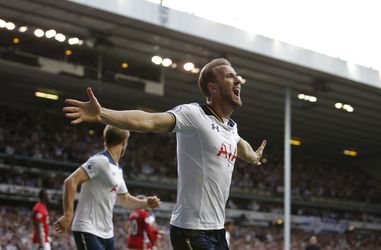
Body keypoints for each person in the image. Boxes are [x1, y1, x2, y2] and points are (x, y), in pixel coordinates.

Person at [63, 58, 267, 250]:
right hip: (191, 229)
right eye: (230, 76)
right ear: (213, 87)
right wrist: (102, 114)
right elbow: (148, 121)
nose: (238, 79)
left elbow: (243, 147)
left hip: (217, 230)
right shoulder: (194, 115)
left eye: (237, 75)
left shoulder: (231, 129)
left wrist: (254, 157)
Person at [53, 125, 161, 250]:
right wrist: (68, 215)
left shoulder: (117, 169)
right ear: (124, 141)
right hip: (88, 229)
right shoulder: (99, 161)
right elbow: (70, 181)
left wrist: (146, 203)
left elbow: (125, 200)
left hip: (107, 234)